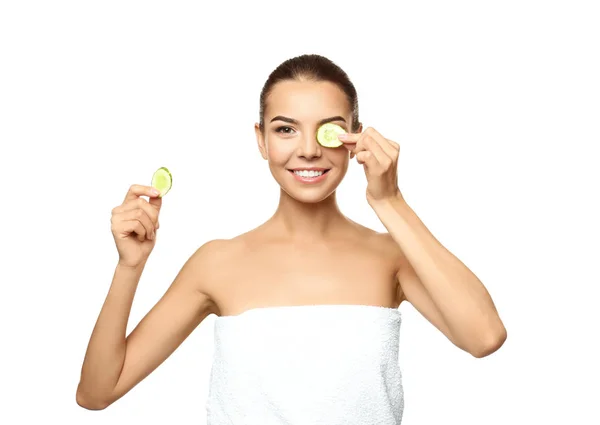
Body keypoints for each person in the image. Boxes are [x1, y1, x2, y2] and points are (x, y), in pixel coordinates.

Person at [76, 54, 507, 424]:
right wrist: (129, 266)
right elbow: (97, 393)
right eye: (285, 129)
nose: (308, 150)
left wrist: (389, 200)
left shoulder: (390, 257)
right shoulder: (217, 263)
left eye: (329, 130)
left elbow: (484, 337)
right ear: (261, 140)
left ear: (356, 137)